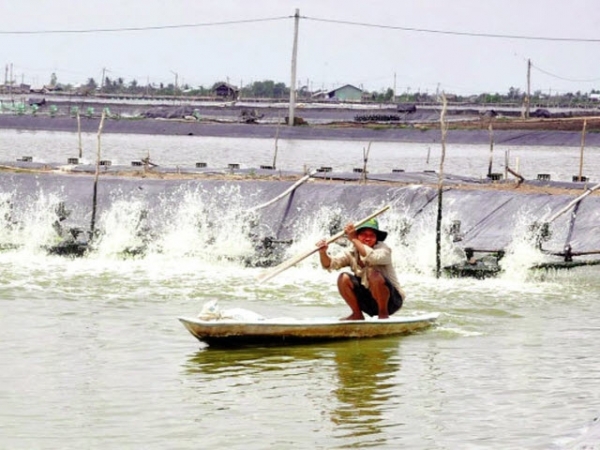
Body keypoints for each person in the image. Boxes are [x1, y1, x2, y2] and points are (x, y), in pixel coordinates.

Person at [316, 218, 405, 320]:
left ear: (376, 238)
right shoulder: (351, 251)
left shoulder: (384, 249)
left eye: (372, 235)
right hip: (368, 301)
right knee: (343, 278)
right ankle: (357, 314)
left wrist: (354, 239)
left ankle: (383, 315)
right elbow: (330, 264)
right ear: (358, 235)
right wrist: (323, 252)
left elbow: (372, 257)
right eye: (364, 234)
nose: (368, 238)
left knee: (374, 275)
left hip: (392, 302)